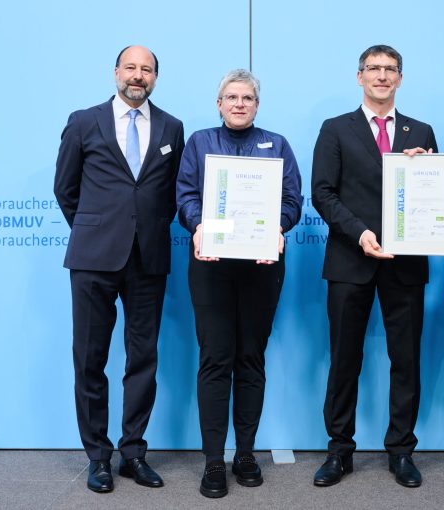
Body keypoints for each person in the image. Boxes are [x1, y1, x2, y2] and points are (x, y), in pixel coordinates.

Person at [54, 45, 184, 493]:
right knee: (89, 358)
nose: (138, 75)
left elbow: (170, 193)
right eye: (131, 67)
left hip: (148, 258)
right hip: (93, 258)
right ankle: (98, 456)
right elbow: (65, 188)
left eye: (146, 69)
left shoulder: (171, 126)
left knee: (142, 358)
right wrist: (96, 229)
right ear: (115, 72)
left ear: (155, 78)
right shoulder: (84, 121)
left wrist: (140, 229)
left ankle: (133, 452)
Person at [311, 45, 437, 489]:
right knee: (344, 360)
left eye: (390, 69)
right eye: (374, 69)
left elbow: (432, 195)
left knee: (405, 360)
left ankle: (401, 451)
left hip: (405, 265)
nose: (382, 76)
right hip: (350, 259)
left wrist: (426, 173)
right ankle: (339, 451)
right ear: (359, 76)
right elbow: (323, 194)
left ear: (400, 78)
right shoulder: (335, 129)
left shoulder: (420, 130)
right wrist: (361, 234)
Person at [176, 69, 302, 499]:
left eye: (247, 97)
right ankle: (213, 459)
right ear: (219, 103)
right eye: (231, 96)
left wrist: (279, 228)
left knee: (250, 358)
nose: (239, 103)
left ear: (257, 104)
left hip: (262, 265)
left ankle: (244, 454)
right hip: (211, 265)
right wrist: (197, 227)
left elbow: (291, 201)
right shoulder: (199, 142)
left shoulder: (278, 144)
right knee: (215, 358)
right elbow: (186, 196)